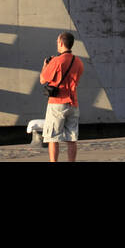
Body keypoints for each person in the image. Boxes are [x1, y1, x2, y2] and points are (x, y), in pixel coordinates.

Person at [38, 32, 84, 162]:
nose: (57, 44)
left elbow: (42, 79)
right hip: (73, 102)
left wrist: (46, 65)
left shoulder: (57, 61)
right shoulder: (78, 61)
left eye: (57, 42)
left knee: (53, 138)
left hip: (57, 103)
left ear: (61, 43)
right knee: (72, 138)